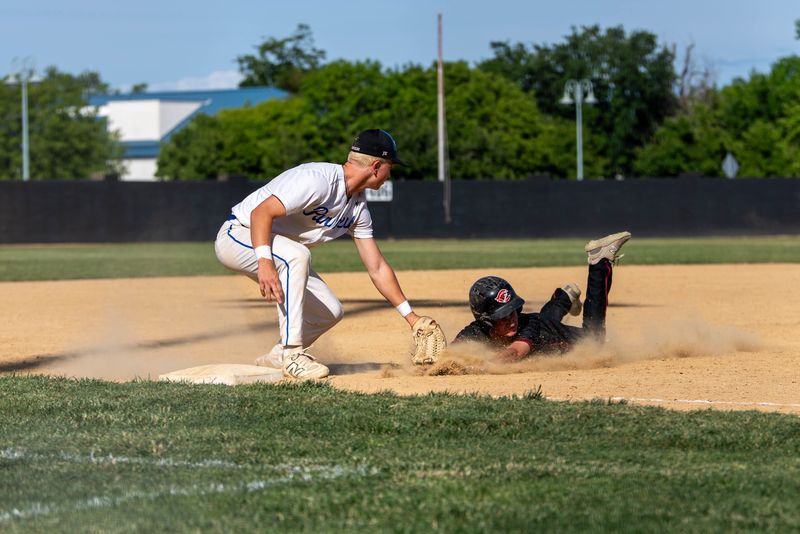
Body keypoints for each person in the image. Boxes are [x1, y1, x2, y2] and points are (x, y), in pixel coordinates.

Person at [215, 129, 425, 380]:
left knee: (329, 311)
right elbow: (261, 212)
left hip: (278, 249)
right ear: (377, 166)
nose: (390, 175)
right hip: (239, 234)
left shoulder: (357, 209)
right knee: (297, 255)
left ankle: (278, 354)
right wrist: (264, 261)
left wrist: (412, 318)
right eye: (391, 167)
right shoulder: (317, 180)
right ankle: (293, 355)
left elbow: (377, 267)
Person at [453, 232, 631, 362]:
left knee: (594, 340)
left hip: (553, 335)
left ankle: (600, 261)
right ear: (486, 321)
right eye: (503, 316)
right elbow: (451, 352)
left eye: (513, 311)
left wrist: (482, 363)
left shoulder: (527, 328)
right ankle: (564, 297)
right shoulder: (476, 330)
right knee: (543, 319)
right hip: (542, 322)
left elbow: (513, 354)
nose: (511, 320)